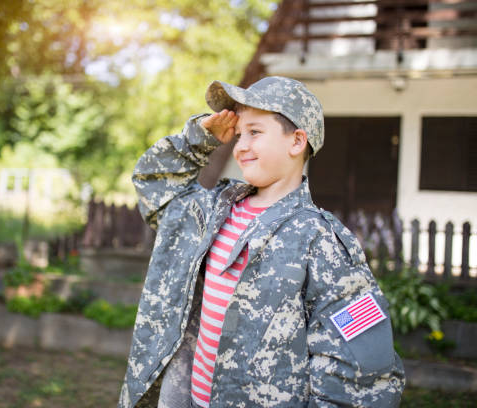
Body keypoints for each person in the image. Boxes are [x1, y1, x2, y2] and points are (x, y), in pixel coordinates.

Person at [118, 76, 405, 408]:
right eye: (239, 135)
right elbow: (154, 183)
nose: (240, 146)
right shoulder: (211, 211)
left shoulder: (320, 240)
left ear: (297, 141)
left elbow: (361, 371)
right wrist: (201, 139)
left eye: (255, 132)